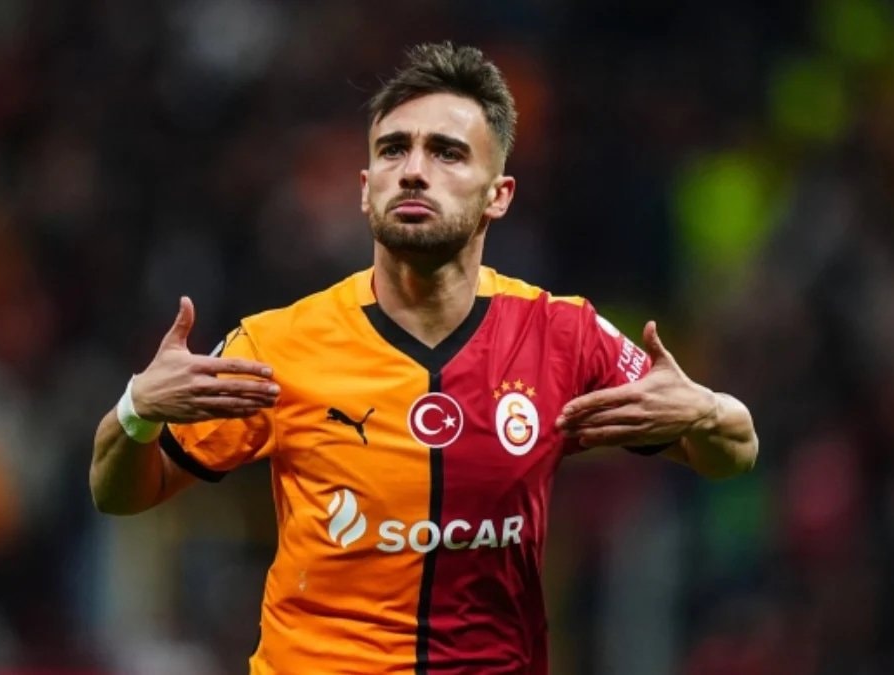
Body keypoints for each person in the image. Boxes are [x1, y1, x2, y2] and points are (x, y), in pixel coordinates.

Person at [90, 42, 758, 674]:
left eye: (447, 152)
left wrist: (709, 413)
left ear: (498, 194)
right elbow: (118, 492)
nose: (413, 169)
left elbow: (733, 452)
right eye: (393, 149)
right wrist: (136, 410)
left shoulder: (563, 334)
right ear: (366, 187)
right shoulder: (280, 344)